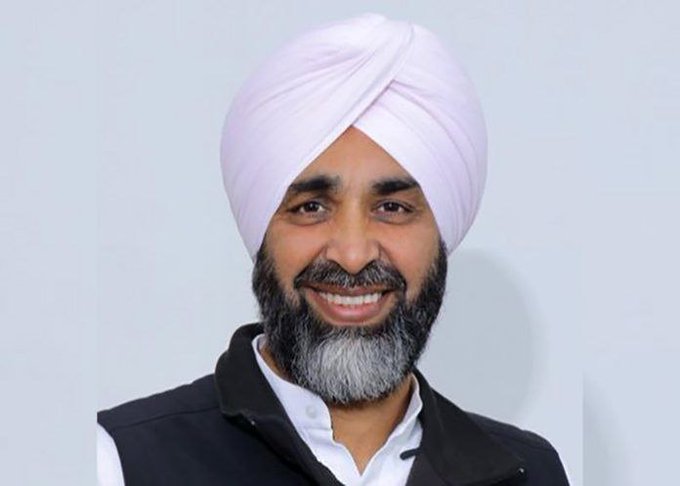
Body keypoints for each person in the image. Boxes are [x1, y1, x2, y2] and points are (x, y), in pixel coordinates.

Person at [97, 13, 570, 486]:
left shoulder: (530, 474)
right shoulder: (123, 462)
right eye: (312, 207)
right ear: (261, 231)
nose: (352, 254)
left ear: (440, 236)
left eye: (391, 207)